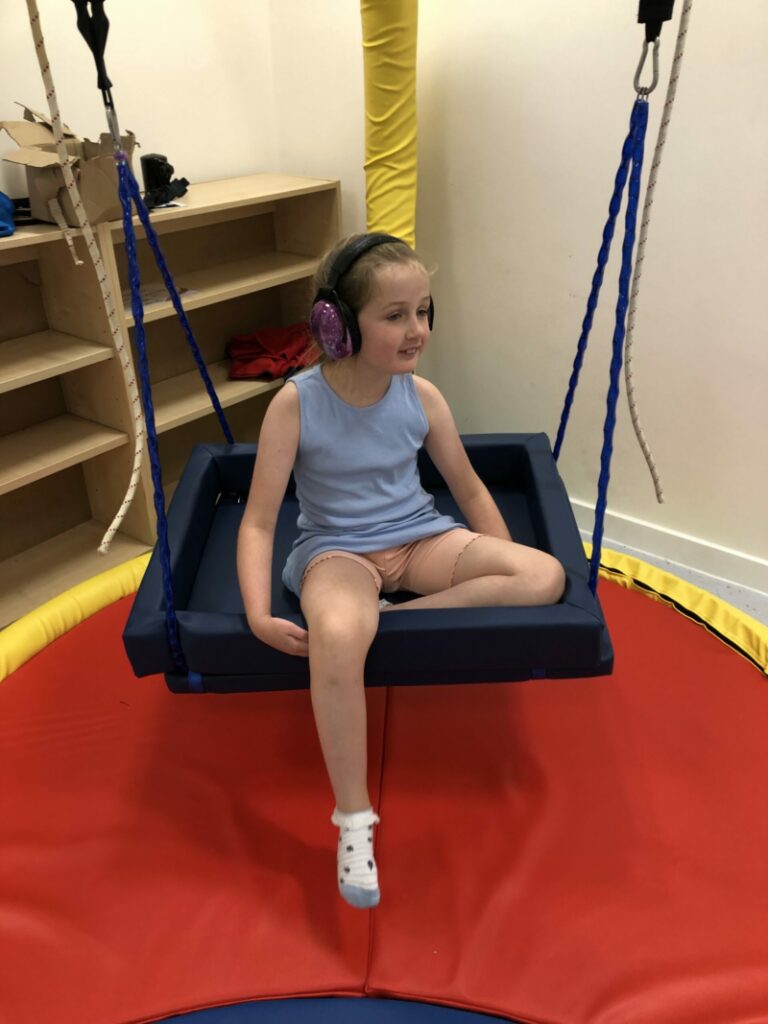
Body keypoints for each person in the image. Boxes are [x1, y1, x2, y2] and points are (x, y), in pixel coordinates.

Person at [237, 233, 565, 910]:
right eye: (395, 315)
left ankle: (393, 621)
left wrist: (507, 594)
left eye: (424, 311)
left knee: (544, 576)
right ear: (337, 324)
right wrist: (255, 612)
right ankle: (353, 820)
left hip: (420, 540)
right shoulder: (296, 404)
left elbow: (471, 494)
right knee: (334, 631)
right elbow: (260, 521)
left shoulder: (423, 396)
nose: (417, 330)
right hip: (337, 552)